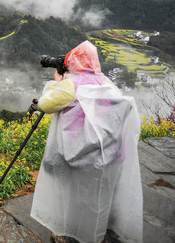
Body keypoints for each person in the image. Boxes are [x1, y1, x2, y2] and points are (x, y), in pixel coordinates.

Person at [30, 41, 143, 243]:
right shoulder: (107, 83)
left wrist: (58, 81)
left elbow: (46, 104)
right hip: (105, 153)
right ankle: (96, 230)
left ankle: (68, 232)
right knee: (92, 196)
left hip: (76, 153)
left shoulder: (70, 85)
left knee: (58, 176)